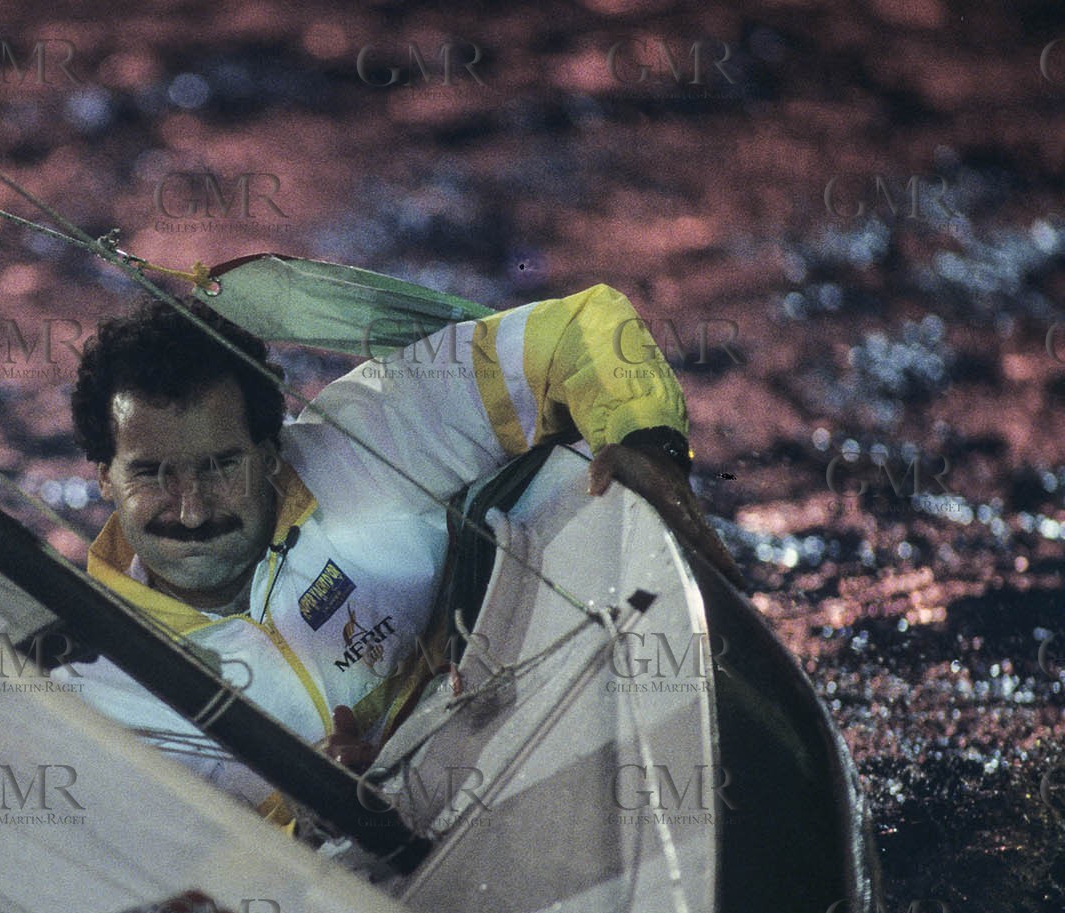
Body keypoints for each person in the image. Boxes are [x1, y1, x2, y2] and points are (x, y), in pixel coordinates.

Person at [61, 285, 740, 810]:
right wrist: (304, 813)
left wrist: (649, 442)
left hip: (511, 732)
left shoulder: (369, 438)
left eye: (218, 465)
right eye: (151, 473)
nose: (191, 507)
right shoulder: (96, 690)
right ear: (103, 476)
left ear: (270, 454)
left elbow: (579, 326)